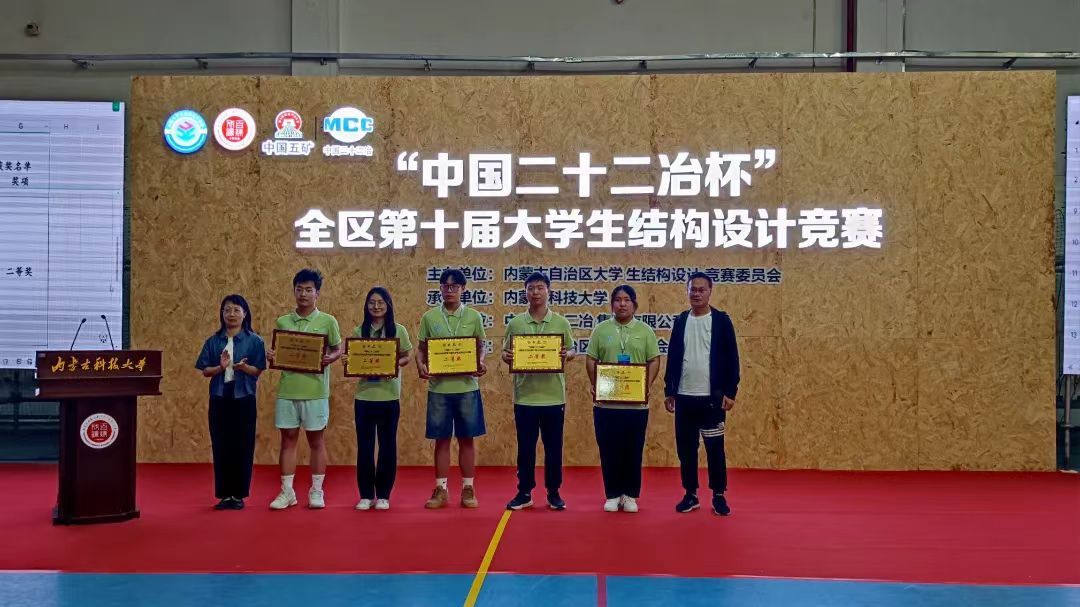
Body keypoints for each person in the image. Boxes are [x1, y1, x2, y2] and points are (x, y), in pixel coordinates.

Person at [266, 268, 343, 510]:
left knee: (316, 441)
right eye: (299, 289)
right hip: (288, 390)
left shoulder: (328, 321)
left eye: (309, 289)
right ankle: (287, 492)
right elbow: (278, 352)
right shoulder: (283, 321)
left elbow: (337, 349)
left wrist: (331, 358)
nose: (303, 294)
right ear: (294, 291)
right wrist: (273, 356)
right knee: (287, 440)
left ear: (317, 293)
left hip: (315, 392)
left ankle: (317, 491)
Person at [664, 272, 740, 516]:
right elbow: (673, 357)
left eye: (701, 289)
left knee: (715, 449)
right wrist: (669, 390)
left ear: (710, 292)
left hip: (712, 399)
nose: (696, 294)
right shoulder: (681, 321)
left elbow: (732, 359)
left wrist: (730, 391)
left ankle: (718, 495)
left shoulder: (721, 321)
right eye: (692, 289)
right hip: (684, 397)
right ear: (687, 291)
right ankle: (691, 494)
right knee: (686, 450)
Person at [501, 272, 575, 511]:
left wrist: (566, 355)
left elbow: (572, 350)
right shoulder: (515, 323)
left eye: (540, 287)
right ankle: (524, 492)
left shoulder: (561, 323)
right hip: (525, 397)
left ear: (548, 291)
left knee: (554, 448)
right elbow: (505, 353)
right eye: (531, 288)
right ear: (525, 292)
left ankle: (554, 492)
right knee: (525, 448)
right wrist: (508, 356)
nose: (535, 292)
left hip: (553, 397)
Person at [416, 268, 488, 509]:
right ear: (440, 289)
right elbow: (421, 349)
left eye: (454, 286)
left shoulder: (474, 317)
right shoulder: (429, 317)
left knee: (467, 439)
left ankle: (468, 488)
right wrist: (420, 365)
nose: (450, 290)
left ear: (463, 289)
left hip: (467, 387)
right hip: (439, 389)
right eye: (445, 286)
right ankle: (441, 489)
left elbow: (481, 346)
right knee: (442, 441)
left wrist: (480, 361)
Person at [585, 285, 661, 513]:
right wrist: (596, 384)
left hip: (636, 405)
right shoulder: (601, 330)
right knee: (609, 449)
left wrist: (646, 385)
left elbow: (654, 359)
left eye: (627, 300)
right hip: (606, 404)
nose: (622, 304)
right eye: (617, 300)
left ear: (634, 304)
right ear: (612, 304)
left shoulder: (645, 331)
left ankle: (630, 495)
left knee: (633, 450)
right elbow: (591, 359)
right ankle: (612, 493)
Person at [195, 294, 266, 510]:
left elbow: (257, 370)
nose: (231, 314)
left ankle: (239, 495)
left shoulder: (255, 341)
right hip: (220, 397)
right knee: (221, 445)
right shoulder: (213, 341)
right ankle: (225, 495)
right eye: (227, 310)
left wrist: (244, 368)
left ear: (245, 314)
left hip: (244, 397)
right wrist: (221, 367)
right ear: (222, 314)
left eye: (236, 310)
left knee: (243, 446)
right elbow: (205, 370)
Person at [350, 287, 412, 511]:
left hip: (389, 396)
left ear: (388, 305)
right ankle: (366, 495)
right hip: (364, 397)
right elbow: (354, 360)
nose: (376, 306)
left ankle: (384, 495)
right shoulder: (359, 330)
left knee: (387, 446)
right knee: (365, 447)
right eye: (371, 302)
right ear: (366, 306)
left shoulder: (399, 330)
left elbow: (407, 356)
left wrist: (394, 365)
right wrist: (350, 361)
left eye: (380, 302)